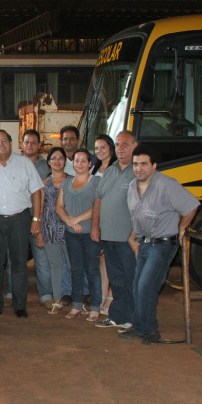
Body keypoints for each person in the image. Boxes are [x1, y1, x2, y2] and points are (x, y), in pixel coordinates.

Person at [122, 144, 199, 345]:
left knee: (147, 286)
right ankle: (139, 328)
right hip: (145, 244)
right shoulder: (132, 187)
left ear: (154, 165)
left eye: (144, 164)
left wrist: (182, 227)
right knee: (137, 287)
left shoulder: (167, 185)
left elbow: (191, 205)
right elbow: (137, 216)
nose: (139, 168)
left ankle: (150, 331)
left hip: (163, 245)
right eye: (136, 164)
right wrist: (133, 237)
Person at [0, 129, 43, 318]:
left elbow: (36, 192)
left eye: (4, 140)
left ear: (11, 142)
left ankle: (20, 305)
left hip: (20, 219)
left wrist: (36, 219)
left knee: (19, 264)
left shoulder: (24, 163)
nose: (0, 144)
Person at [92, 131, 138, 331]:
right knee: (117, 279)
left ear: (135, 146)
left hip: (128, 239)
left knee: (131, 279)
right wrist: (95, 227)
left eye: (125, 144)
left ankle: (132, 318)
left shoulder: (138, 171)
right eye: (118, 144)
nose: (120, 148)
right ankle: (116, 316)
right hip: (108, 236)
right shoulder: (109, 171)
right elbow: (98, 200)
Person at [56, 149, 102, 321]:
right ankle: (76, 305)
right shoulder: (66, 183)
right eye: (77, 161)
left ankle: (95, 307)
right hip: (71, 234)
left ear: (90, 163)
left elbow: (98, 207)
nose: (80, 164)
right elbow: (58, 207)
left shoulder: (96, 182)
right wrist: (69, 222)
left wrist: (77, 219)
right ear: (73, 163)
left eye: (84, 161)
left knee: (92, 270)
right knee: (75, 269)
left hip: (91, 233)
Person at [22, 129, 53, 309]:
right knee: (15, 259)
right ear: (22, 144)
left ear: (39, 145)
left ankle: (45, 294)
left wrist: (38, 219)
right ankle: (12, 293)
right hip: (18, 217)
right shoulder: (14, 163)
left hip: (39, 218)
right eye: (27, 142)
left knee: (41, 257)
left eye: (34, 142)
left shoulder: (47, 166)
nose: (30, 145)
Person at [40, 147, 71, 315]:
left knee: (74, 265)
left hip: (70, 227)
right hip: (50, 228)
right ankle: (57, 299)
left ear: (65, 161)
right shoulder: (44, 183)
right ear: (49, 162)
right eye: (54, 158)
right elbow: (40, 208)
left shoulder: (73, 181)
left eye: (61, 158)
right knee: (56, 266)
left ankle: (78, 300)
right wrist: (38, 230)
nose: (57, 161)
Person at [90, 134, 117, 316]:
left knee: (114, 260)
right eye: (97, 148)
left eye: (103, 147)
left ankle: (111, 297)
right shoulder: (95, 168)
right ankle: (102, 296)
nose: (99, 151)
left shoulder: (117, 168)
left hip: (114, 218)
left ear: (111, 148)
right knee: (102, 259)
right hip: (98, 218)